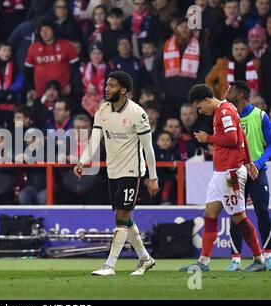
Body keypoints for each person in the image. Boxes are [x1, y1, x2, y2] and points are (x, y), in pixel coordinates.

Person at [73, 71, 159, 276]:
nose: (106, 88)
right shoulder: (102, 110)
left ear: (123, 90)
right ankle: (145, 259)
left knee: (121, 216)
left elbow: (149, 148)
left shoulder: (137, 113)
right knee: (125, 218)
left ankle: (109, 265)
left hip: (132, 171)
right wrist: (83, 161)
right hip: (113, 171)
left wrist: (153, 177)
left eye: (111, 85)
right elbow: (95, 139)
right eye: (106, 85)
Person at [180, 83, 266, 272]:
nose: (201, 111)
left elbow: (234, 139)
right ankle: (203, 262)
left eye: (200, 107)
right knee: (210, 214)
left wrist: (208, 138)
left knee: (238, 217)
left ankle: (259, 259)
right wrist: (249, 162)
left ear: (206, 99)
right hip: (221, 172)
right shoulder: (228, 109)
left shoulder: (225, 112)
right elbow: (242, 136)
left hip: (230, 173)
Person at [224, 81, 271, 271]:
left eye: (231, 90)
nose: (227, 92)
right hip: (235, 174)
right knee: (236, 215)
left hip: (256, 174)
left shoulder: (260, 116)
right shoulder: (227, 116)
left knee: (262, 213)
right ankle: (235, 260)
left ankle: (267, 257)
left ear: (242, 94)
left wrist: (257, 164)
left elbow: (270, 145)